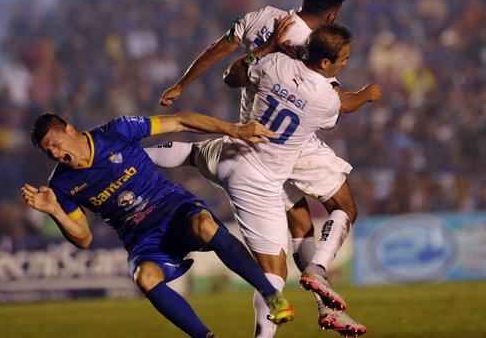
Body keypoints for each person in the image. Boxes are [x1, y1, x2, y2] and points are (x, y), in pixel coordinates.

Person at [157, 0, 379, 335]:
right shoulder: (317, 45)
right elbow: (338, 101)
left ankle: (325, 307)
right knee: (343, 208)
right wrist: (367, 94)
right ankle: (320, 282)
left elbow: (219, 51)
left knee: (301, 225)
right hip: (293, 147)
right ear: (334, 12)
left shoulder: (261, 18)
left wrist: (182, 84)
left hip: (253, 133)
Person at [21, 111, 295, 338]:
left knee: (206, 226)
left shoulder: (117, 131)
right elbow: (84, 238)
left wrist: (233, 129)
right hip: (141, 237)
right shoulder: (61, 184)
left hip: (170, 207)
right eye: (48, 152)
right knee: (144, 278)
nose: (55, 153)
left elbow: (179, 121)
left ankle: (271, 295)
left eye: (55, 143)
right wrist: (55, 211)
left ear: (70, 129)